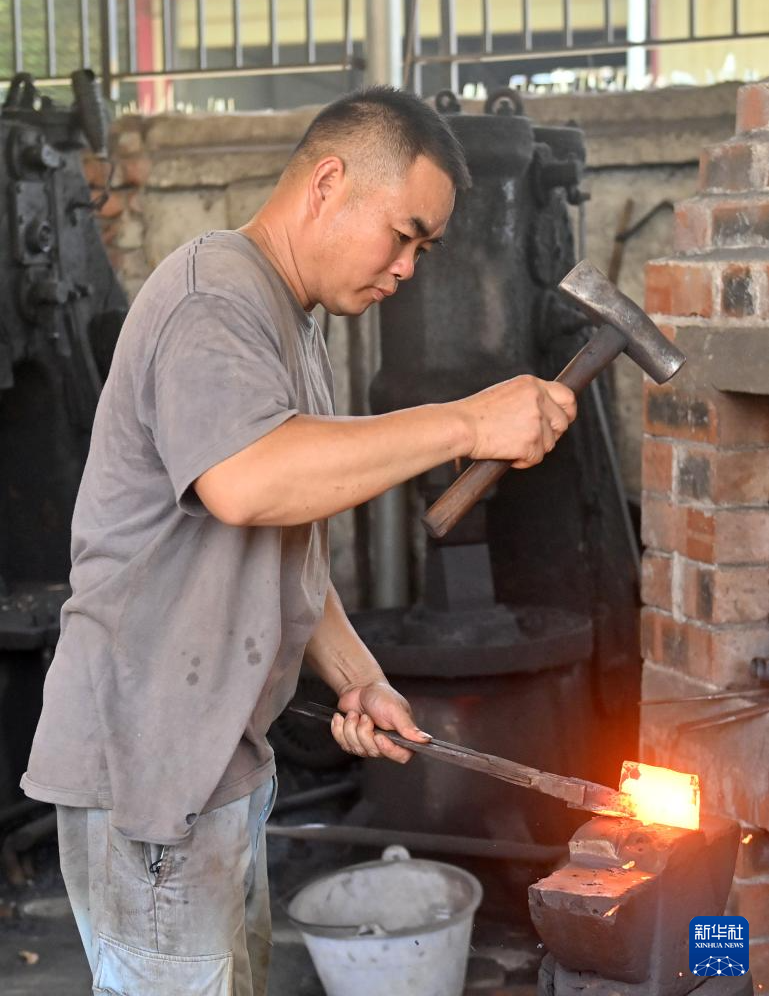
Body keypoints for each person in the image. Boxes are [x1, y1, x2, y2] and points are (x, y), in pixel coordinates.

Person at [22, 86, 576, 996]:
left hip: (215, 767)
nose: (407, 268)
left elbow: (280, 541)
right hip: (151, 772)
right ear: (327, 184)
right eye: (402, 235)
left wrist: (358, 676)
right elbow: (247, 483)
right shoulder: (213, 299)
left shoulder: (292, 322)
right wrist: (467, 421)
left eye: (425, 250)